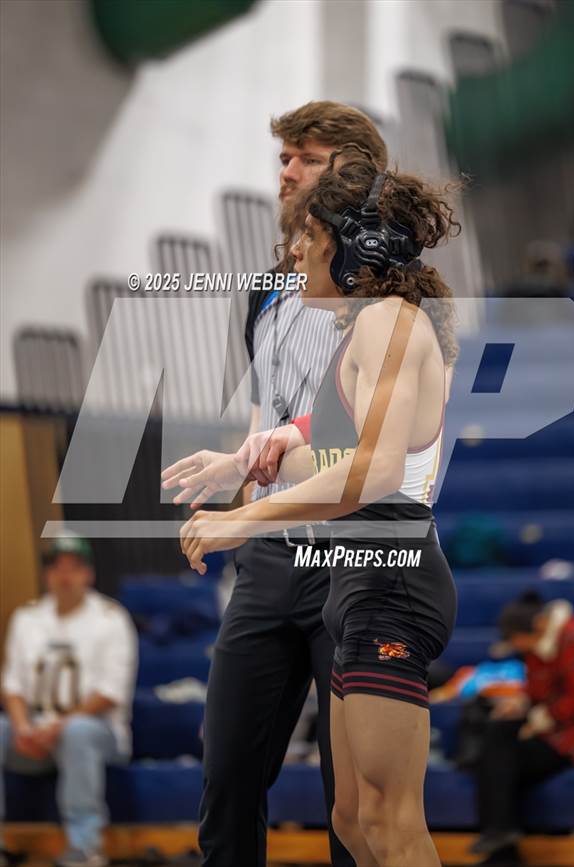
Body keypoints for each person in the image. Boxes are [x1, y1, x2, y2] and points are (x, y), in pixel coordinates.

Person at [176, 154, 460, 867]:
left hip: (391, 580)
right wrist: (251, 460)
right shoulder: (364, 331)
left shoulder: (388, 322)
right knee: (353, 819)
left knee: (391, 822)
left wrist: (240, 520)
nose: (295, 251)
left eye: (310, 236)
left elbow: (376, 470)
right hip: (358, 581)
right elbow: (336, 455)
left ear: (355, 246)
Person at [162, 102, 387, 867]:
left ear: (353, 169)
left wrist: (259, 477)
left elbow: (360, 442)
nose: (286, 171)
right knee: (226, 774)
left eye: (306, 157)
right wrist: (237, 477)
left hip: (354, 555)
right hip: (270, 556)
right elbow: (270, 417)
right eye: (284, 157)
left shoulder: (383, 286)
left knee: (351, 800)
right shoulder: (266, 286)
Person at [0, 536, 138, 867]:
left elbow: (110, 692)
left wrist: (57, 726)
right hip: (34, 730)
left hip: (97, 731)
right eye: (57, 568)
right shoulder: (26, 618)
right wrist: (22, 727)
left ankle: (86, 846)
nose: (64, 576)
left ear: (88, 573)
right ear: (46, 574)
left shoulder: (111, 618)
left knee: (77, 732)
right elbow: (12, 685)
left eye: (73, 568)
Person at [470, 591, 574, 862]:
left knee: (499, 762)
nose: (516, 645)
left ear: (535, 627)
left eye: (516, 638)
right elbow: (538, 690)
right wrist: (521, 703)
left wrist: (541, 719)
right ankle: (501, 839)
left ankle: (502, 848)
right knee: (496, 739)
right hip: (554, 728)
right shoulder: (539, 646)